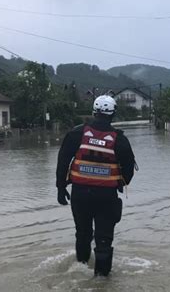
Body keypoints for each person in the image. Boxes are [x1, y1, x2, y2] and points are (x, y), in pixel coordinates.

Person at [56, 95, 136, 276]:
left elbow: (62, 162)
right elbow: (129, 170)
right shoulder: (120, 140)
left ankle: (81, 268)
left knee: (83, 234)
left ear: (94, 111)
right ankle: (102, 281)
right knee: (103, 240)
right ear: (113, 114)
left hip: (80, 195)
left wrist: (61, 188)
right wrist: (120, 183)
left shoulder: (76, 133)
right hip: (107, 197)